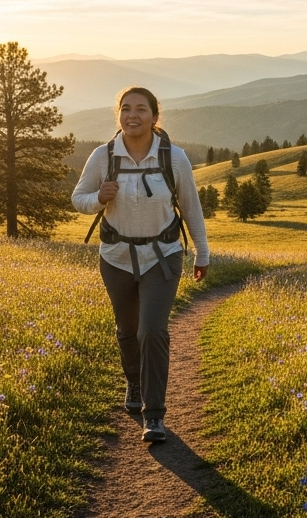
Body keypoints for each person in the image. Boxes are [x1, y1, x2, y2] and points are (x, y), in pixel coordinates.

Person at [72, 87, 209, 443]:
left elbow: (191, 208)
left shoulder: (173, 158)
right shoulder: (103, 156)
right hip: (115, 258)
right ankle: (133, 382)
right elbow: (78, 197)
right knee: (127, 331)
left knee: (152, 330)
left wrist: (202, 253)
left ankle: (155, 414)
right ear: (118, 114)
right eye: (126, 109)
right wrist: (97, 199)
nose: (133, 115)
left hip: (162, 257)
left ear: (154, 116)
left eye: (141, 109)